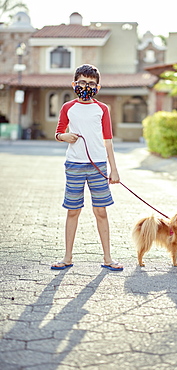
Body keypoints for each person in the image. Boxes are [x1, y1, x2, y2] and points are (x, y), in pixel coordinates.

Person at [51, 64, 123, 271]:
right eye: (82, 82)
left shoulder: (102, 109)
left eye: (91, 84)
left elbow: (108, 140)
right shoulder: (67, 107)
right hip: (74, 165)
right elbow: (58, 132)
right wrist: (64, 136)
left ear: (97, 87)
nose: (86, 86)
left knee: (101, 212)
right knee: (73, 211)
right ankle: (67, 257)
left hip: (98, 166)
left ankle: (108, 258)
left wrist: (114, 169)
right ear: (74, 84)